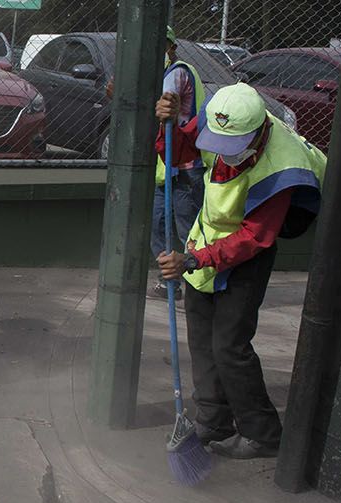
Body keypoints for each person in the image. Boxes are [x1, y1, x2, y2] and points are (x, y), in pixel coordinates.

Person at [155, 83, 326, 459]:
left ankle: (262, 433)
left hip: (245, 255)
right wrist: (166, 124)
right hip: (206, 243)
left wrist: (195, 260)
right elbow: (182, 153)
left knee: (229, 346)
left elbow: (256, 237)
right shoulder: (220, 120)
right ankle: (214, 420)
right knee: (201, 337)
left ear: (258, 132)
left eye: (233, 149)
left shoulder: (282, 167)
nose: (224, 157)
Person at [148, 26, 206, 301]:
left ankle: (196, 286)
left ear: (171, 48)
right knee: (156, 225)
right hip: (167, 170)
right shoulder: (161, 75)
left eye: (164, 45)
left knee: (187, 230)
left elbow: (167, 101)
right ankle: (169, 282)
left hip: (186, 166)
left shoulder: (177, 72)